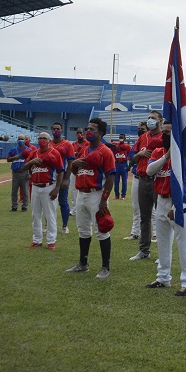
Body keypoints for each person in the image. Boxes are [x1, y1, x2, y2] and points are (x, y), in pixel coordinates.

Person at [145, 120, 186, 296]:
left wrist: (177, 205)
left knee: (184, 243)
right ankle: (163, 277)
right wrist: (166, 156)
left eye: (168, 133)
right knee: (163, 242)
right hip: (161, 201)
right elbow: (149, 170)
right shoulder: (159, 151)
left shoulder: (185, 154)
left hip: (179, 202)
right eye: (164, 132)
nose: (164, 135)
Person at [65, 118, 115, 279]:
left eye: (92, 129)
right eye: (87, 128)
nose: (88, 131)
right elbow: (75, 172)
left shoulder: (105, 151)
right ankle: (83, 263)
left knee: (101, 231)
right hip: (81, 193)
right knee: (83, 229)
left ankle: (105, 267)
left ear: (100, 133)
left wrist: (104, 200)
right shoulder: (84, 149)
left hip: (97, 193)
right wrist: (74, 165)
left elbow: (110, 177)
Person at [21, 132, 64, 250]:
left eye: (44, 138)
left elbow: (60, 171)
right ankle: (37, 240)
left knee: (50, 215)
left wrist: (57, 188)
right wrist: (31, 162)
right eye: (39, 138)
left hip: (49, 186)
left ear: (49, 140)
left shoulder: (54, 153)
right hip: (35, 186)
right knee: (35, 215)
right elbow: (23, 168)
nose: (41, 140)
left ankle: (51, 241)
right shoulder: (34, 153)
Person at [130, 110, 163, 260]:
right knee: (145, 217)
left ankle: (163, 253)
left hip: (159, 179)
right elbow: (132, 158)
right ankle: (144, 250)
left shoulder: (164, 138)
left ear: (160, 122)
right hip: (142, 179)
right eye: (149, 118)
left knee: (161, 217)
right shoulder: (142, 137)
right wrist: (139, 155)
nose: (150, 120)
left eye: (153, 118)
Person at [50, 122, 76, 235]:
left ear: (62, 131)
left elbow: (71, 163)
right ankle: (48, 224)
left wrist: (66, 179)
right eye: (54, 128)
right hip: (50, 177)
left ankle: (65, 226)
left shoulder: (67, 145)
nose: (56, 130)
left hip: (62, 176)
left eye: (58, 129)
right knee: (49, 202)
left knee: (63, 201)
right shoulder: (48, 144)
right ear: (52, 130)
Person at [124, 122, 147, 241]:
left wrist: (138, 157)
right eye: (139, 129)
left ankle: (154, 233)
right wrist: (140, 154)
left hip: (149, 178)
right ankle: (135, 232)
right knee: (135, 207)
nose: (140, 131)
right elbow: (132, 159)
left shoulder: (153, 141)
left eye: (142, 129)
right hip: (137, 176)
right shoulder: (138, 142)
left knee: (151, 209)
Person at [6, 134, 30, 212]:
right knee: (14, 191)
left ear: (25, 140)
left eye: (22, 139)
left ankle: (24, 206)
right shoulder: (13, 149)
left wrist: (30, 173)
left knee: (25, 190)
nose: (20, 140)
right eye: (19, 139)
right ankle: (14, 206)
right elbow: (8, 159)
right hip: (15, 172)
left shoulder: (28, 150)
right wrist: (15, 157)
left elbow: (31, 162)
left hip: (24, 172)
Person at [69, 130, 87, 216]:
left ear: (83, 134)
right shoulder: (73, 144)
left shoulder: (87, 143)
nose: (80, 134)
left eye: (81, 133)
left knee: (85, 189)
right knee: (74, 190)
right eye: (78, 133)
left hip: (84, 169)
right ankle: (74, 209)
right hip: (75, 168)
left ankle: (83, 208)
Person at [113, 133, 131, 200]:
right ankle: (116, 195)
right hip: (117, 164)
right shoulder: (115, 145)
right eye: (120, 137)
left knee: (124, 181)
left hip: (124, 164)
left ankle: (123, 195)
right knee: (116, 181)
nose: (121, 139)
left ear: (125, 138)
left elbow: (130, 156)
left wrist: (129, 165)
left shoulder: (127, 146)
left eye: (122, 137)